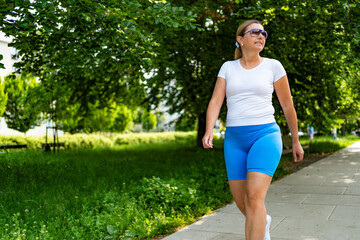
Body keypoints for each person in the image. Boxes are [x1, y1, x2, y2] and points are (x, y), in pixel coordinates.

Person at [202, 20, 304, 240]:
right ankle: (263, 221)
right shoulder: (228, 67)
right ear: (240, 39)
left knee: (254, 197)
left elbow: (287, 105)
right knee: (243, 203)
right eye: (255, 32)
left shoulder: (273, 66)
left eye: (264, 33)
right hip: (234, 140)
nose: (261, 36)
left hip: (265, 135)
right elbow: (216, 101)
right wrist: (209, 129)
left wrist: (295, 140)